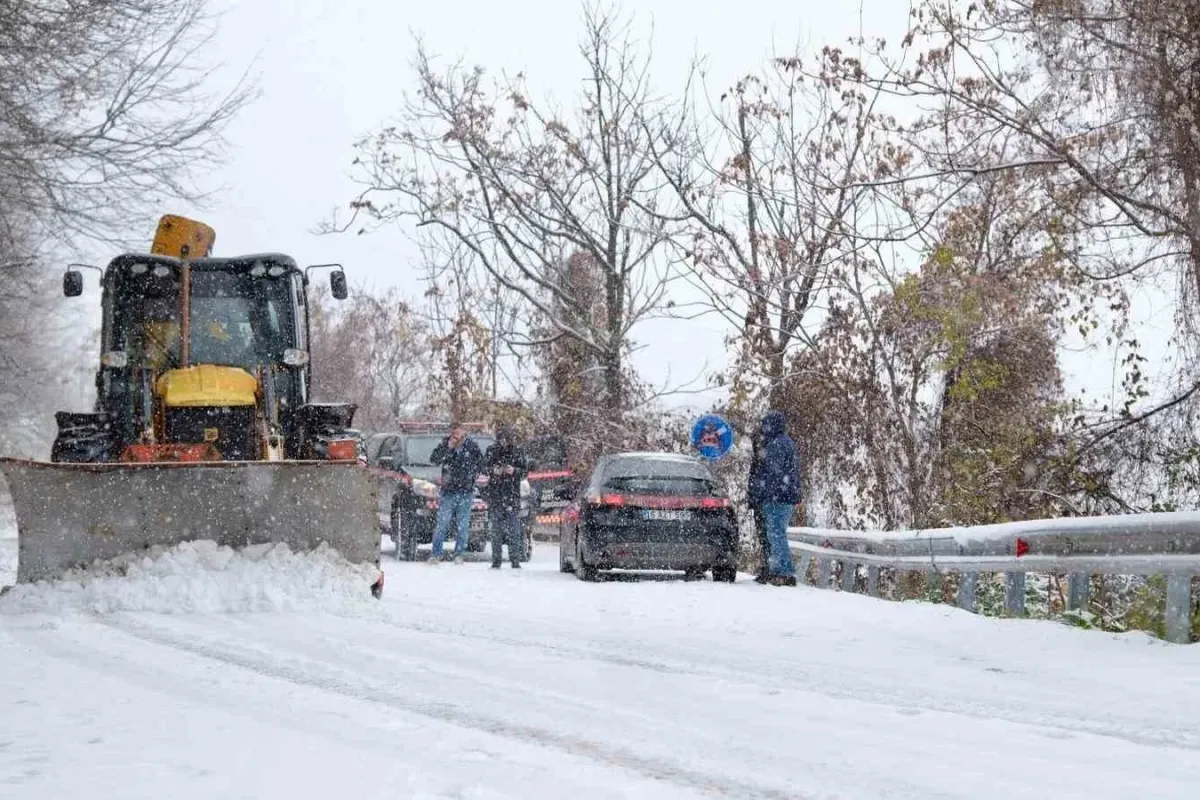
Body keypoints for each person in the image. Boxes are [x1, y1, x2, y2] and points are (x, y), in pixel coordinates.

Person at [750, 410, 801, 586]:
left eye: (765, 424)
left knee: (776, 534)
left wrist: (764, 493)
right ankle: (777, 569)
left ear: (771, 425)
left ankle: (784, 572)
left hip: (777, 497)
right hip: (785, 495)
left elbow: (773, 473)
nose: (762, 428)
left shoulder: (776, 444)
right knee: (776, 533)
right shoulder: (785, 442)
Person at [429, 423, 485, 564]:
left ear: (463, 432)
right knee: (442, 523)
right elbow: (434, 460)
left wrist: (473, 475)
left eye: (458, 432)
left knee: (463, 525)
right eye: (453, 432)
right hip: (448, 491)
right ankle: (436, 553)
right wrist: (447, 448)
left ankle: (459, 553)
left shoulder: (472, 446)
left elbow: (482, 464)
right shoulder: (445, 443)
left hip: (466, 491)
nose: (455, 435)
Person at [483, 426, 528, 569]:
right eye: (501, 439)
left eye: (505, 439)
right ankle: (496, 560)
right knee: (496, 530)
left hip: (512, 494)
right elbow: (483, 468)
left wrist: (514, 471)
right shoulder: (491, 450)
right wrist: (494, 471)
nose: (503, 442)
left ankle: (515, 560)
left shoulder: (517, 452)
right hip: (496, 494)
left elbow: (525, 471)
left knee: (514, 530)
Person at [747, 428, 771, 584]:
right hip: (760, 501)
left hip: (763, 501)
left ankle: (769, 568)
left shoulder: (763, 459)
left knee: (767, 537)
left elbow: (757, 481)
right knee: (764, 537)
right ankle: (767, 567)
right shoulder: (759, 458)